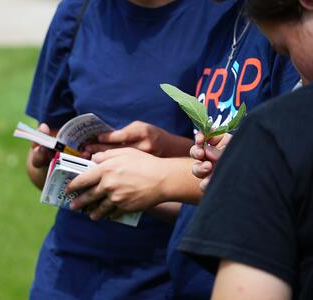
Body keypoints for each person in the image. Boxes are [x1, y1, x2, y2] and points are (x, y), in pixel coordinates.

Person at [66, 0, 299, 297]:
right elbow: (229, 165)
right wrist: (174, 152)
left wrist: (164, 176)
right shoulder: (227, 23)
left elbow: (288, 171)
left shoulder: (286, 34)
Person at [24, 0, 237, 298]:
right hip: (68, 275)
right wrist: (43, 164)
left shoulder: (228, 18)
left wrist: (157, 176)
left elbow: (247, 178)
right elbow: (39, 172)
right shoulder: (77, 11)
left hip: (171, 276)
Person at [178, 0, 313, 299]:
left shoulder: (280, 131)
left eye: (285, 49)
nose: (299, 79)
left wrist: (255, 164)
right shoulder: (221, 26)